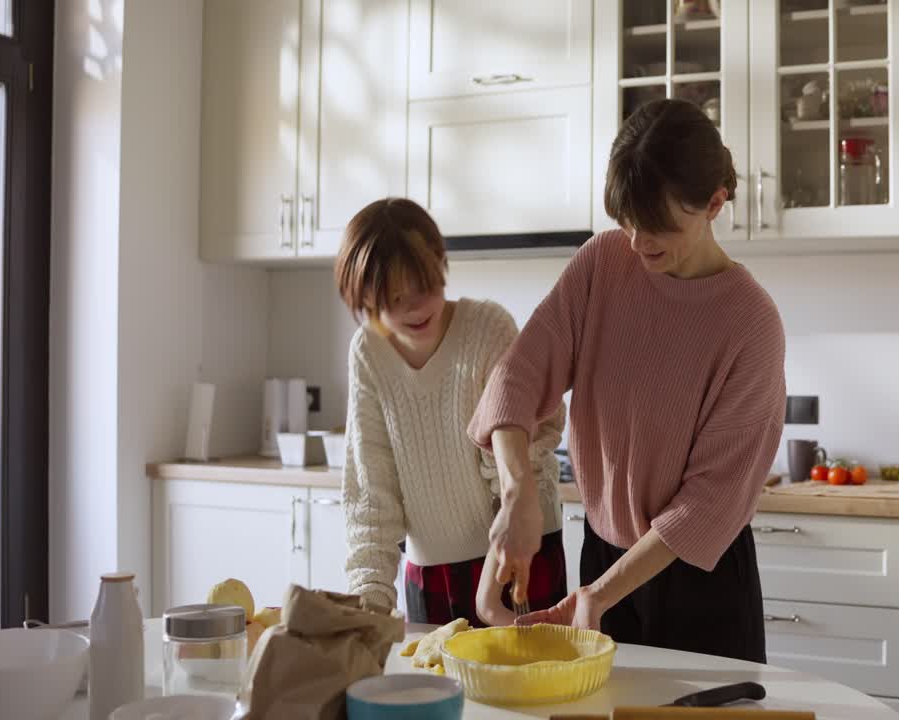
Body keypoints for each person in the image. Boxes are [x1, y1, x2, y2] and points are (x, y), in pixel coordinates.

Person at [469, 99, 786, 661]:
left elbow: (707, 503)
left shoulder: (750, 322)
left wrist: (600, 592)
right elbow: (518, 376)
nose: (639, 243)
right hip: (602, 559)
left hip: (698, 581)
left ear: (715, 203)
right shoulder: (602, 264)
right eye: (627, 221)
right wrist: (515, 493)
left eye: (660, 226)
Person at [335, 197, 566, 626]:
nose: (415, 307)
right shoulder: (368, 354)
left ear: (441, 264)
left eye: (424, 287)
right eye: (394, 297)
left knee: (532, 686)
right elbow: (371, 494)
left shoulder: (486, 328)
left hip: (521, 555)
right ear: (365, 295)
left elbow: (514, 462)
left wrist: (491, 591)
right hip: (431, 571)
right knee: (438, 687)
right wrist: (369, 602)